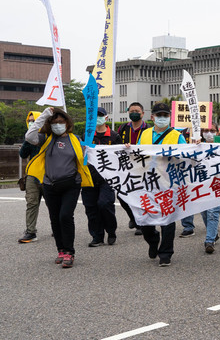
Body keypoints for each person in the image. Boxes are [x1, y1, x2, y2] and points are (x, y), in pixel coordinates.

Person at [25, 107, 94, 268]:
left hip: (71, 185)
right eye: (54, 123)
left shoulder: (75, 139)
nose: (57, 125)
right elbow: (29, 136)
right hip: (50, 185)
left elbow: (87, 159)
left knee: (65, 216)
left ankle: (69, 251)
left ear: (67, 123)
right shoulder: (46, 139)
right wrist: (44, 115)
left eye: (61, 122)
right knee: (55, 219)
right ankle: (61, 250)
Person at [138, 102, 186, 267]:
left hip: (168, 182)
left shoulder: (177, 135)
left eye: (165, 116)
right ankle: (152, 240)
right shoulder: (144, 134)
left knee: (168, 218)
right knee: (144, 219)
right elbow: (137, 154)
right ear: (152, 117)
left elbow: (185, 157)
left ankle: (166, 253)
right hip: (147, 182)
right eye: (159, 115)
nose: (162, 118)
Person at [82, 107, 122, 247]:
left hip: (107, 178)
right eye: (94, 116)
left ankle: (111, 231)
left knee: (105, 204)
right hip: (89, 177)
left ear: (106, 118)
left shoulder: (114, 136)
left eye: (100, 116)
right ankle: (97, 236)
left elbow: (120, 155)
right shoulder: (87, 135)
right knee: (91, 208)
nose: (97, 118)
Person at [117, 102, 147, 235]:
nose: (134, 113)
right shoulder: (123, 128)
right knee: (122, 195)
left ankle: (141, 223)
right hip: (126, 166)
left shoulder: (148, 129)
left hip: (143, 166)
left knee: (141, 195)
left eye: (137, 111)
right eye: (132, 111)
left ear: (143, 113)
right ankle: (133, 217)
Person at [18, 111, 44, 244]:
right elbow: (22, 154)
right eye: (30, 121)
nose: (31, 123)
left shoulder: (48, 136)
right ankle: (30, 231)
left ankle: (57, 228)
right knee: (32, 203)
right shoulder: (29, 138)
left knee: (54, 205)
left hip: (48, 175)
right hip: (32, 176)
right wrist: (27, 141)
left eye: (34, 120)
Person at [198, 125, 220, 254]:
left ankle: (209, 240)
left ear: (218, 132)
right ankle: (213, 232)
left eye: (212, 131)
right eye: (206, 131)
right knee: (204, 212)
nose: (209, 133)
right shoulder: (198, 146)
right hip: (202, 184)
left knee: (213, 211)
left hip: (218, 183)